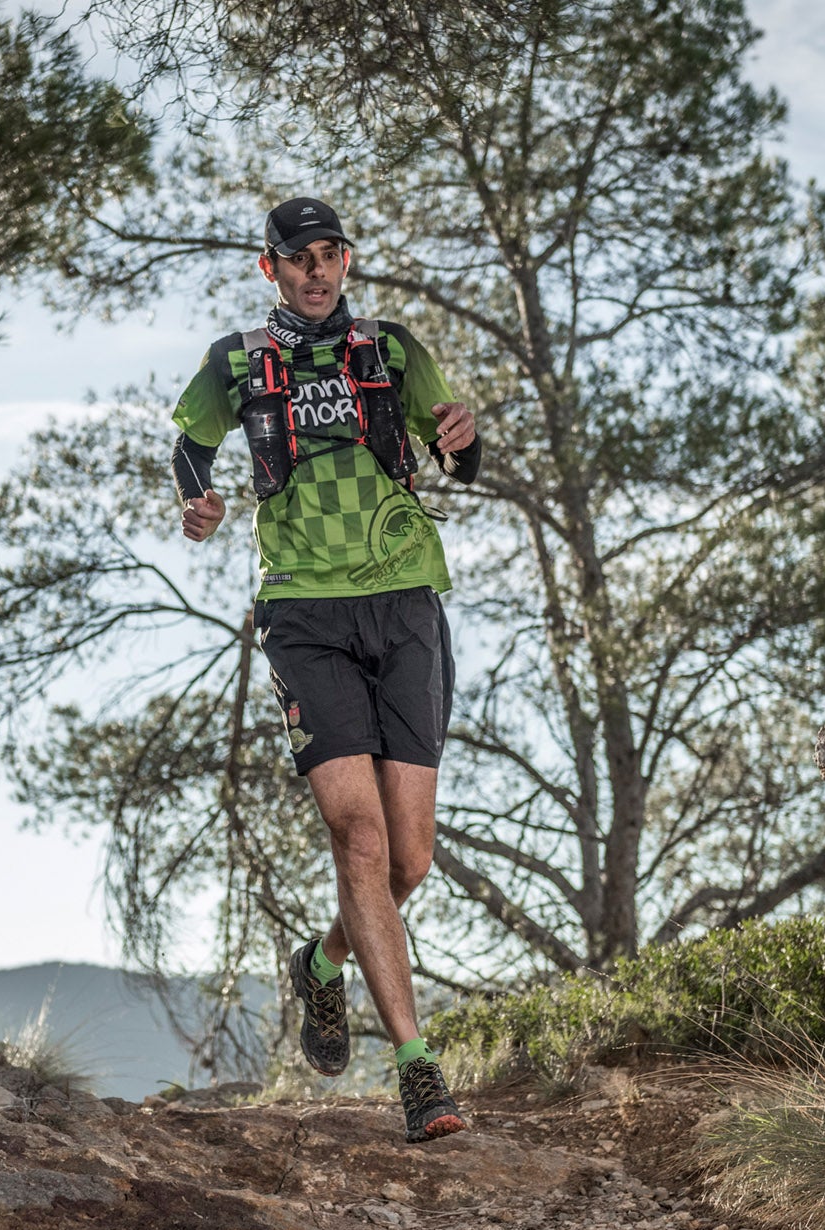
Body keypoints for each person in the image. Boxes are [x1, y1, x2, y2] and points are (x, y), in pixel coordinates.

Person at [171, 196, 483, 1143]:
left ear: (346, 261)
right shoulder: (236, 362)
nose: (317, 270)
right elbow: (191, 444)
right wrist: (199, 500)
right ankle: (418, 1071)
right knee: (360, 842)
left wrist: (464, 439)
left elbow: (456, 455)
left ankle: (322, 962)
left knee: (411, 856)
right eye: (299, 257)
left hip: (405, 599)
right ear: (270, 268)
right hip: (304, 608)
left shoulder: (391, 351)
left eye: (330, 254)